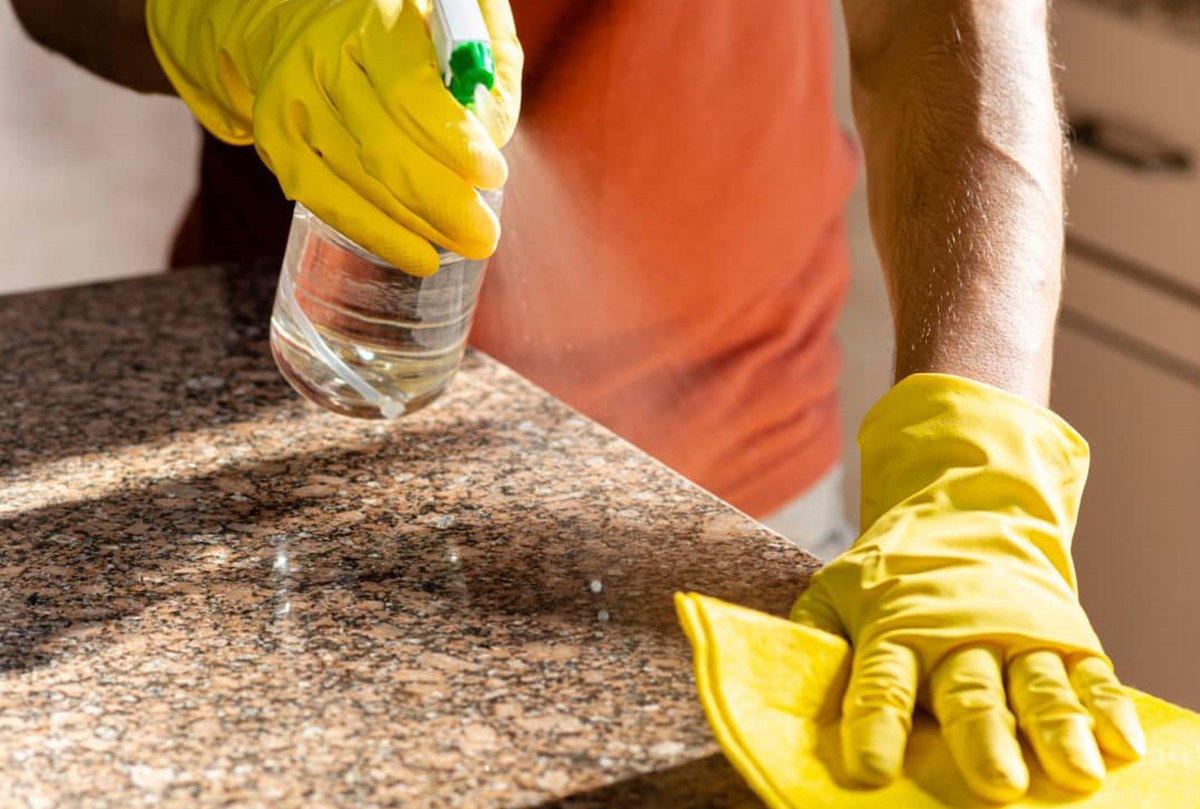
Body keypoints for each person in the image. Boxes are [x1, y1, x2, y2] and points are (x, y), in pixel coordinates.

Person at [12, 0, 1147, 802]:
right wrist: (238, 15)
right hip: (260, 445)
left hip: (717, 503)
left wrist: (975, 459)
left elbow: (949, 19)